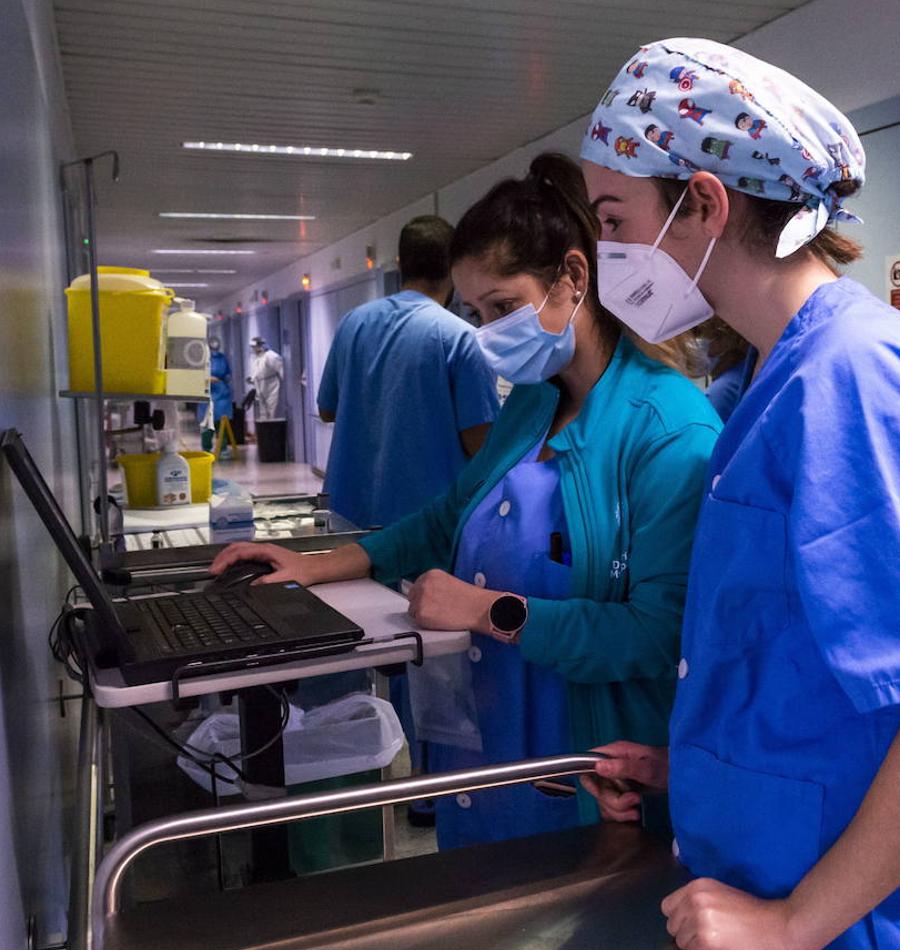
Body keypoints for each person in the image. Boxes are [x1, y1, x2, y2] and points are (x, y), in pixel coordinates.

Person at [576, 38, 900, 950]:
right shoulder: (764, 385)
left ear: (703, 202)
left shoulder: (851, 379)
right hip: (791, 873)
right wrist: (699, 772)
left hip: (873, 931)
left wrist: (791, 925)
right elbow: (811, 669)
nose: (605, 252)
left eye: (614, 217)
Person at [212, 154, 721, 851]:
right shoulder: (534, 406)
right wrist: (321, 565)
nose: (489, 332)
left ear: (573, 276)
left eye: (505, 307)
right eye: (476, 313)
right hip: (483, 751)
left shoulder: (666, 429)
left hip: (589, 772)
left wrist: (486, 612)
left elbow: (661, 633)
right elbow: (450, 513)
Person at [317, 215, 499, 531]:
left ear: (401, 262)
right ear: (453, 266)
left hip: (347, 519)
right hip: (422, 530)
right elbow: (481, 445)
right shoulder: (460, 338)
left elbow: (327, 409)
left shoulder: (352, 324)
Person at [197, 335, 233, 454]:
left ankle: (223, 448)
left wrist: (225, 379)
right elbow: (196, 375)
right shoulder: (202, 359)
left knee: (221, 422)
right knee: (207, 422)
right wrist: (207, 378)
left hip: (222, 394)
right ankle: (206, 448)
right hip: (207, 393)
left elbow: (228, 374)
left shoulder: (223, 358)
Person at [246, 335, 284, 423]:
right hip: (260, 388)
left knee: (272, 411)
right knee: (263, 413)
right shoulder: (257, 358)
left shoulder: (271, 356)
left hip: (271, 387)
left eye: (254, 347)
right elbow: (257, 372)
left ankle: (273, 433)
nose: (253, 349)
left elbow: (281, 370)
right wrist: (252, 379)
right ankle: (265, 433)